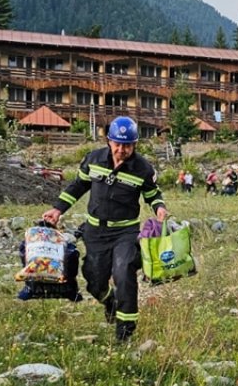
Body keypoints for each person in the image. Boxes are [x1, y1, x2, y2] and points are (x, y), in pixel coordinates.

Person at [42, 116, 169, 343]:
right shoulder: (93, 160)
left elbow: (152, 194)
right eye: (117, 144)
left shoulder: (143, 169)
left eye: (127, 145)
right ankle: (110, 302)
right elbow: (78, 186)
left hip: (125, 233)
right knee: (95, 280)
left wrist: (159, 208)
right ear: (109, 141)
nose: (122, 150)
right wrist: (58, 209)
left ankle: (125, 332)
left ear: (135, 144)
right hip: (95, 231)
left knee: (123, 272)